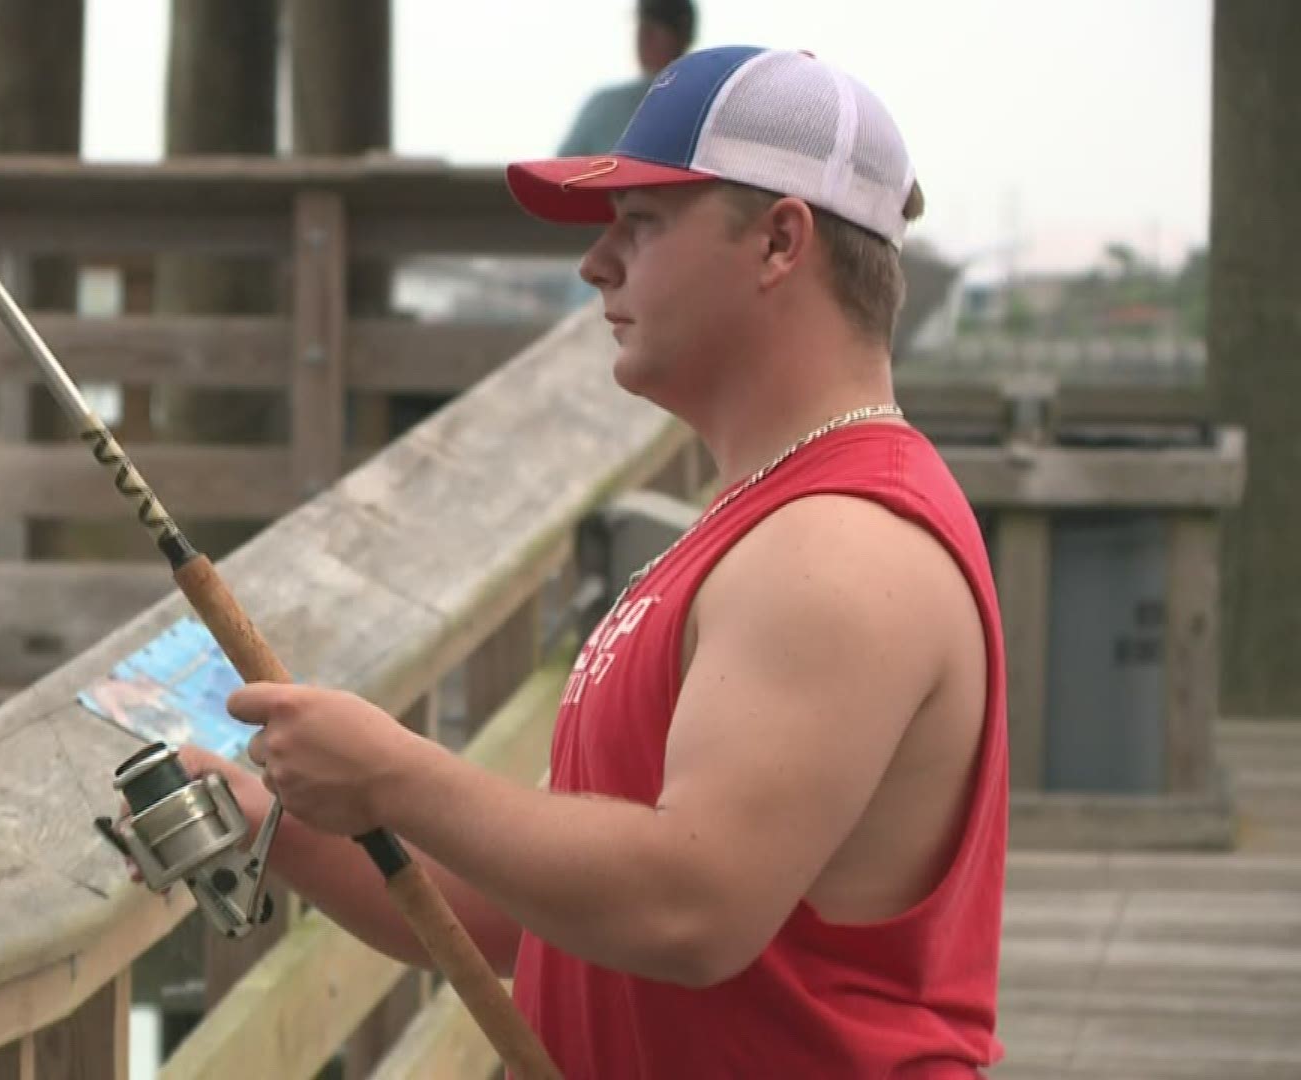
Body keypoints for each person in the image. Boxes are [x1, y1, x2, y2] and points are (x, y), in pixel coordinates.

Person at [171, 45, 1008, 1077]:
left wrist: (396, 772)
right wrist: (274, 822)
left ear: (781, 241)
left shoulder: (840, 544)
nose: (594, 263)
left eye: (642, 224)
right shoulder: (756, 521)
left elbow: (690, 907)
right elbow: (534, 912)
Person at [556, 0, 697, 157]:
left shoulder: (607, 105)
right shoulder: (713, 105)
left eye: (649, 29)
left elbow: (557, 175)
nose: (643, 37)